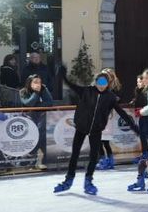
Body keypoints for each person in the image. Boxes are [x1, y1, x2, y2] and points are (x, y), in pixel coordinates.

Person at [54, 67, 141, 195]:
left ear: (107, 84)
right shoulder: (86, 91)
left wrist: (134, 128)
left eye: (104, 83)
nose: (101, 85)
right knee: (75, 154)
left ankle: (88, 181)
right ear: (96, 82)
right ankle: (68, 180)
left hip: (96, 129)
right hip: (82, 127)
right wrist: (63, 75)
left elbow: (122, 113)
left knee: (94, 156)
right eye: (99, 82)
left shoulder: (110, 97)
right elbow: (71, 85)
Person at [20, 74, 53, 170]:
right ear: (29, 83)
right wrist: (36, 93)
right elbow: (28, 103)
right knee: (33, 138)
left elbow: (50, 103)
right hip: (28, 118)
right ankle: (30, 162)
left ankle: (42, 161)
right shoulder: (22, 91)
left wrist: (36, 105)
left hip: (41, 117)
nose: (38, 84)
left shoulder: (43, 88)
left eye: (39, 82)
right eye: (35, 82)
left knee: (42, 137)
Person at [96, 68, 124, 171]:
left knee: (102, 140)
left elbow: (117, 99)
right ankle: (107, 161)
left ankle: (105, 161)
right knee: (101, 140)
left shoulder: (113, 88)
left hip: (106, 115)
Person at [131, 75, 148, 163]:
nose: (138, 84)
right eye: (137, 82)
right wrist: (134, 101)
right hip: (141, 116)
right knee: (142, 135)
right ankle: (145, 153)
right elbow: (138, 100)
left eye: (140, 82)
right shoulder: (137, 90)